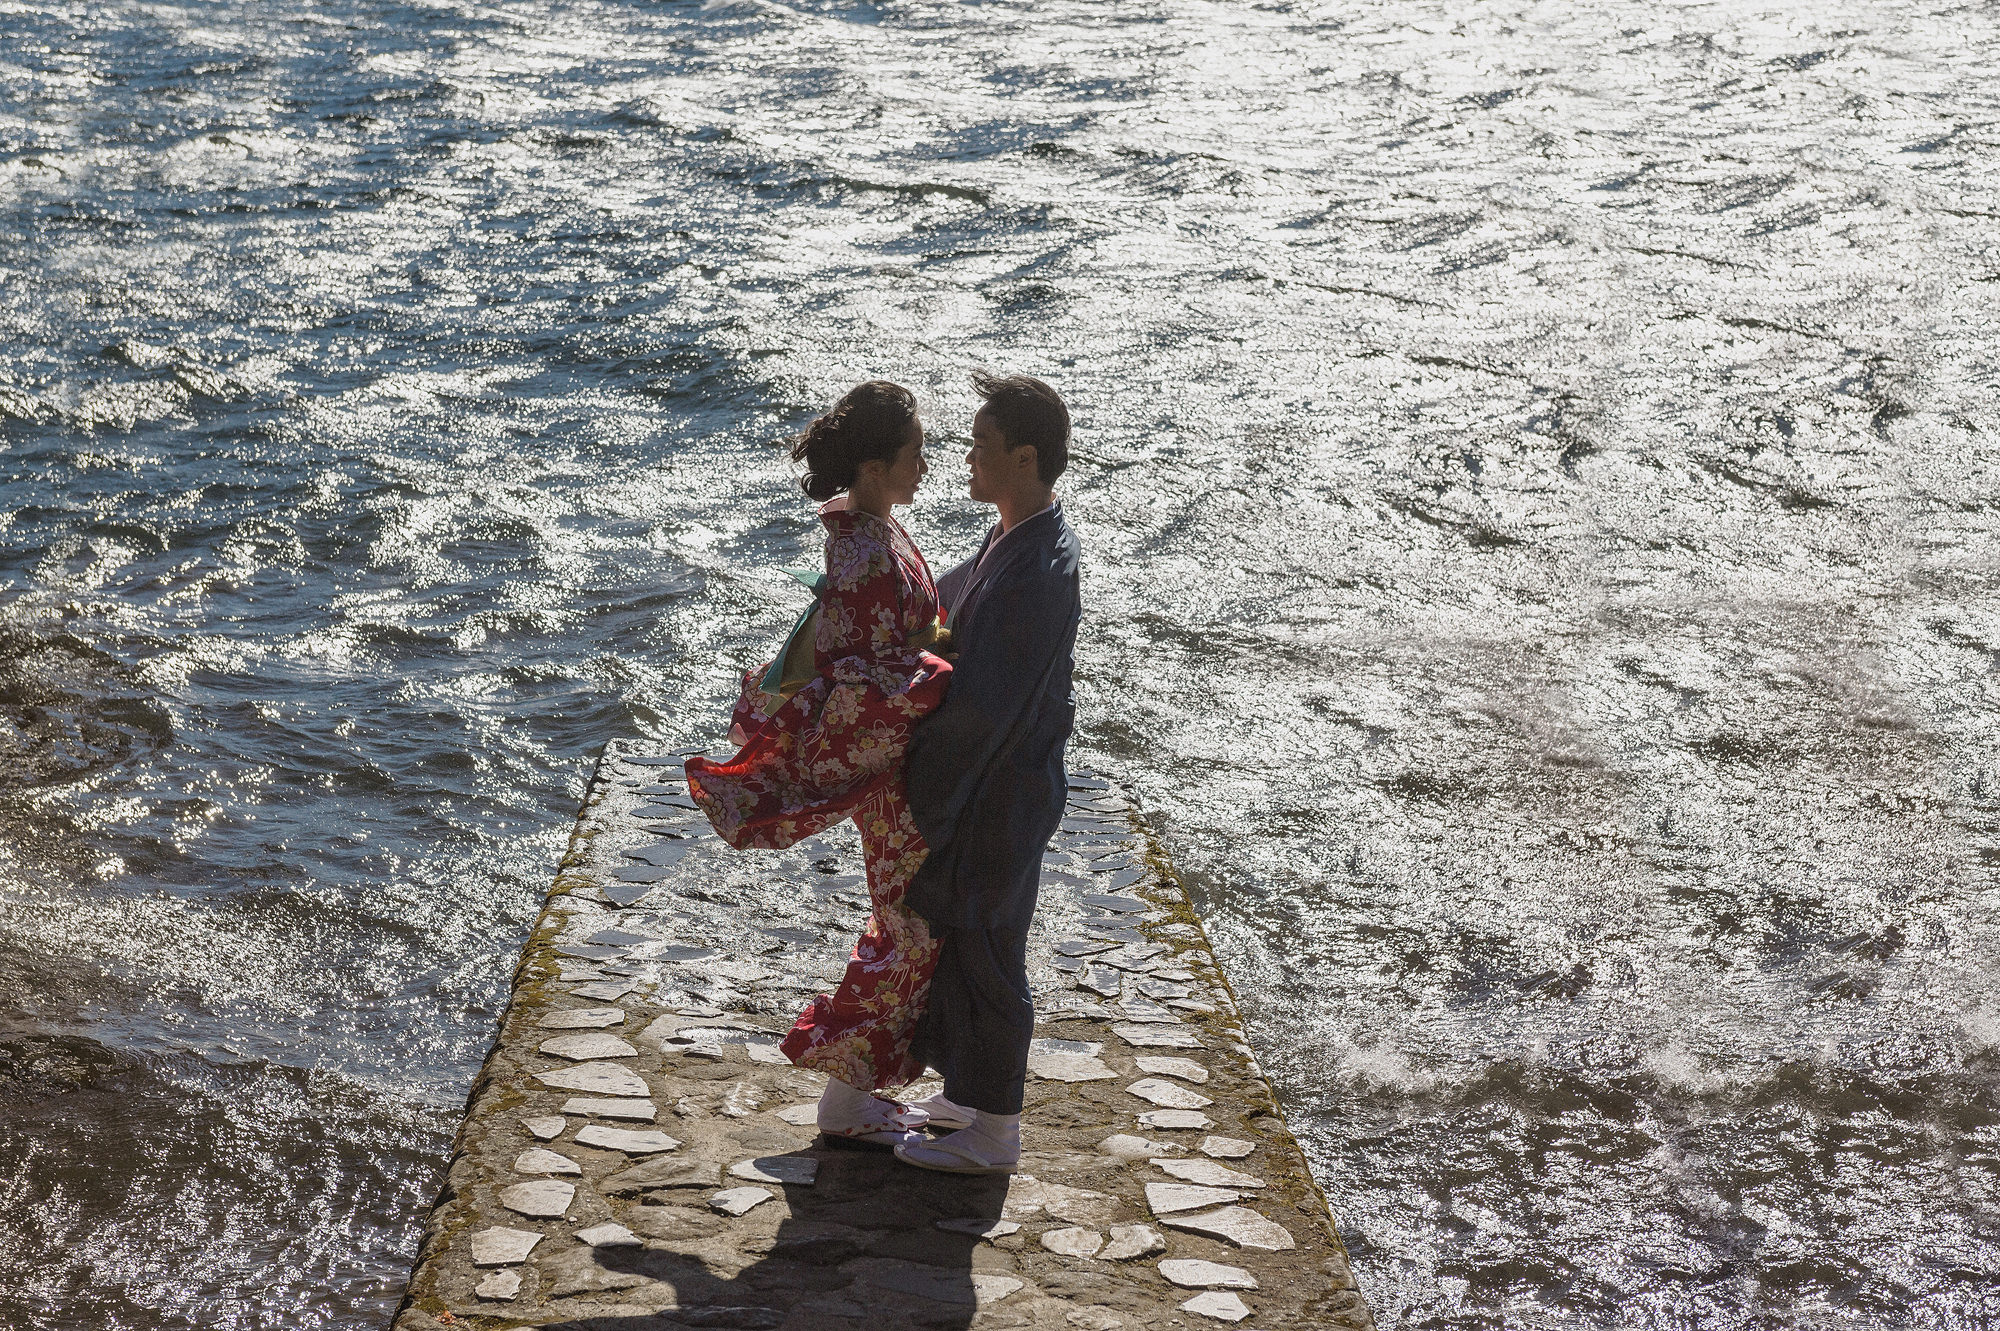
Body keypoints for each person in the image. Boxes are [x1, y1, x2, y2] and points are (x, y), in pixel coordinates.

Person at [684, 380, 953, 1149]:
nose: (926, 466)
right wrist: (943, 677)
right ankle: (846, 1093)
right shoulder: (865, 549)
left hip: (898, 769)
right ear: (874, 465)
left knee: (908, 927)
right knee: (911, 933)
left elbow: (884, 653)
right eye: (914, 453)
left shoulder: (875, 532)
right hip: (891, 776)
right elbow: (860, 680)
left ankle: (855, 1088)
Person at [893, 372, 1083, 1174]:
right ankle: (970, 1094)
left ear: (1026, 456)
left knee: (991, 948)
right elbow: (945, 617)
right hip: (1000, 786)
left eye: (981, 445)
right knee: (967, 939)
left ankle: (995, 1128)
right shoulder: (1015, 535)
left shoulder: (1038, 569)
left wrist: (913, 786)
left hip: (1001, 791)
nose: (965, 456)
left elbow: (982, 712)